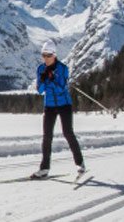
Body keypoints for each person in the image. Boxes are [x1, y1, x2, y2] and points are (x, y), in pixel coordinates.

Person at [30, 40, 85, 179]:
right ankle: (44, 168)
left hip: (64, 105)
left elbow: (62, 88)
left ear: (54, 55)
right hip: (49, 106)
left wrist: (52, 79)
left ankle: (80, 163)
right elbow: (40, 90)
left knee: (68, 133)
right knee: (47, 137)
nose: (45, 58)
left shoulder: (63, 68)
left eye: (48, 55)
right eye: (43, 55)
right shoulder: (40, 69)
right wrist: (43, 80)